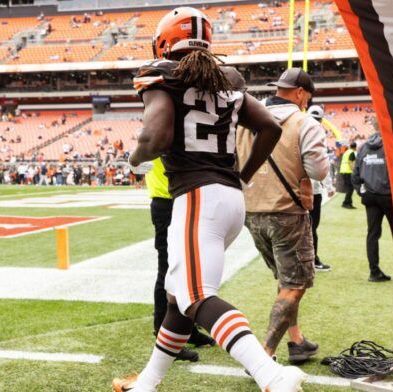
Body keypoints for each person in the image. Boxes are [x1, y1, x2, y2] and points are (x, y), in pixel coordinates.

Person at [113, 7, 306, 392]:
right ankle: (147, 383)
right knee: (177, 298)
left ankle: (271, 377)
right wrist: (243, 174)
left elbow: (156, 137)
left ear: (165, 42)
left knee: (197, 296)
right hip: (229, 198)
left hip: (198, 198)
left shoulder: (163, 74)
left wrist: (133, 160)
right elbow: (268, 126)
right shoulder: (224, 79)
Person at [237, 69, 328, 365]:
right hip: (287, 211)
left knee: (285, 279)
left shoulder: (245, 122)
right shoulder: (305, 122)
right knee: (294, 284)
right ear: (300, 94)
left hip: (251, 211)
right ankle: (264, 355)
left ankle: (297, 341)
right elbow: (319, 172)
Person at [144, 158, 216, 363]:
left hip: (177, 201)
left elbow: (138, 165)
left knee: (187, 270)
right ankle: (163, 335)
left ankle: (186, 330)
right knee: (168, 270)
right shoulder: (161, 131)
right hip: (168, 202)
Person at [352, 129, 393, 282]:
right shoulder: (391, 144)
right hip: (389, 196)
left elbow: (355, 175)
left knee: (372, 234)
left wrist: (362, 192)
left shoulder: (364, 147)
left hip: (370, 197)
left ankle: (374, 272)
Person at [307, 105, 335, 272]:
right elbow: (322, 162)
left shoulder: (298, 127)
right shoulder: (318, 133)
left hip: (296, 187)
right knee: (312, 227)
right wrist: (329, 186)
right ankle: (313, 260)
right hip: (313, 188)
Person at [340, 141, 357, 208]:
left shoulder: (346, 152)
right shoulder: (352, 152)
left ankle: (348, 203)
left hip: (343, 171)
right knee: (350, 188)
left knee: (349, 188)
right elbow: (350, 162)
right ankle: (346, 203)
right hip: (348, 172)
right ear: (355, 147)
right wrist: (354, 171)